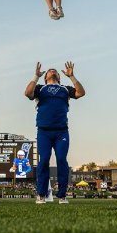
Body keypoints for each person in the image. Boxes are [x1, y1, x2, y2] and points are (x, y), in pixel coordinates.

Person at [24, 61, 85, 204]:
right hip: (44, 131)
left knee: (62, 160)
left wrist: (72, 77)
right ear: (45, 77)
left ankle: (62, 195)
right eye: (49, 71)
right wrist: (36, 76)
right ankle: (41, 194)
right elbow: (27, 93)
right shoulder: (40, 88)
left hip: (61, 132)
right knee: (44, 160)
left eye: (55, 71)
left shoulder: (64, 89)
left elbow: (81, 93)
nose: (52, 71)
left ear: (59, 76)